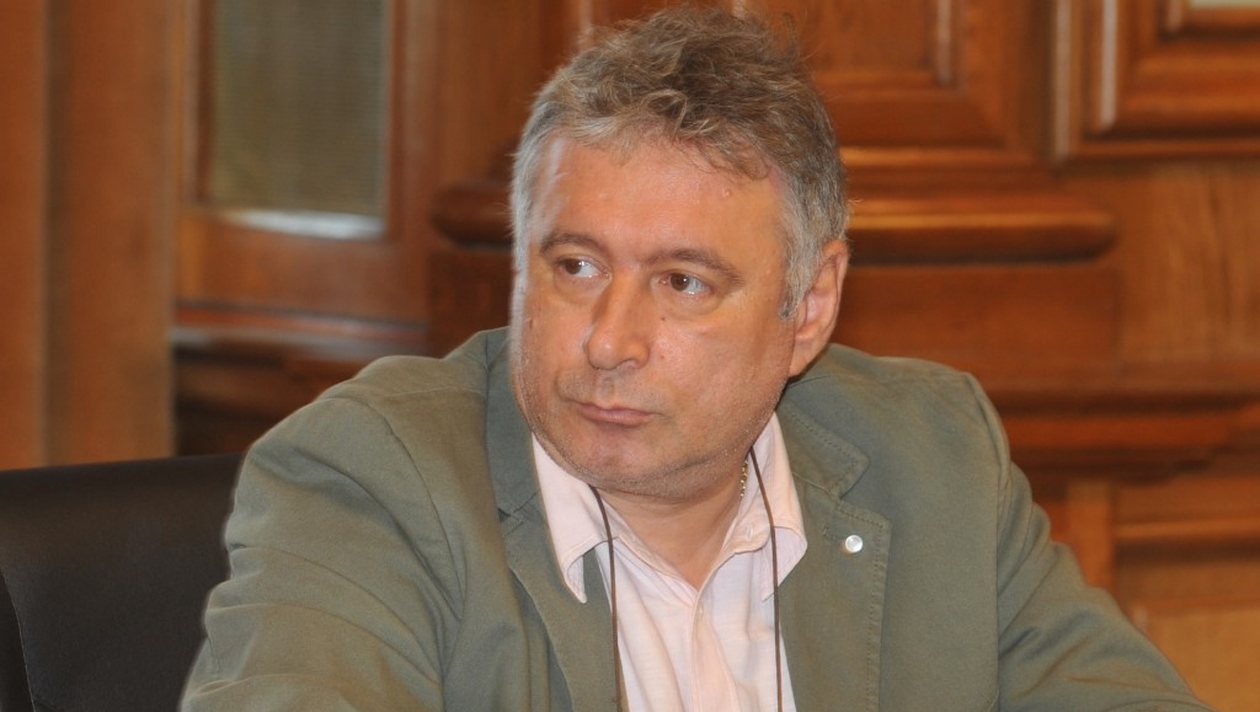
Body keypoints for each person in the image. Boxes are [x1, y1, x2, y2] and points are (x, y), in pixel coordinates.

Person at [182, 6, 1214, 711]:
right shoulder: (375, 477)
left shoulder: (931, 459)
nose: (608, 340)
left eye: (683, 283)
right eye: (575, 266)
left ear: (810, 306)